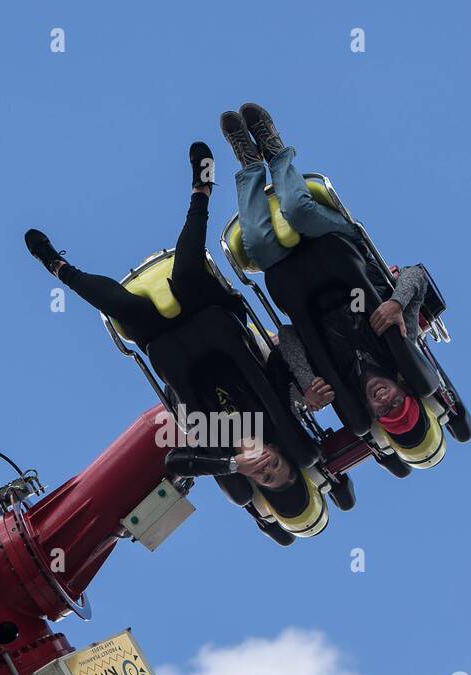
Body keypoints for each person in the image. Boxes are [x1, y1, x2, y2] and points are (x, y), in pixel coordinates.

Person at [23, 144, 327, 513]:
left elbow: (175, 463)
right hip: (212, 319)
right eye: (277, 466)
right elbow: (285, 346)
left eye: (265, 477)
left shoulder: (215, 447)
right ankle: (202, 191)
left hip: (169, 344)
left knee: (122, 307)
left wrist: (231, 464)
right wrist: (308, 385)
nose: (266, 466)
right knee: (185, 272)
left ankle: (57, 266)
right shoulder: (281, 410)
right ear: (281, 451)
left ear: (251, 480)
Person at [220, 104, 434, 445]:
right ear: (404, 387)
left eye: (383, 409)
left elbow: (288, 336)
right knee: (297, 210)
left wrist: (307, 384)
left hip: (296, 279)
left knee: (259, 243)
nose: (384, 397)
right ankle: (274, 150)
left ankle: (249, 164)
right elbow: (416, 276)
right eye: (397, 400)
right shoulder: (401, 342)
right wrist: (395, 302)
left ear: (370, 410)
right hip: (336, 251)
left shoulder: (332, 382)